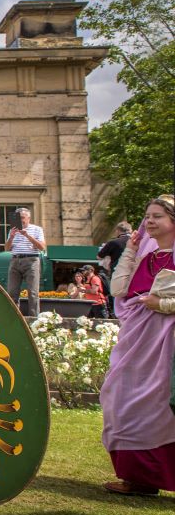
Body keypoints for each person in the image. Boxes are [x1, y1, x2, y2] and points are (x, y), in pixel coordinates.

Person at [100, 196, 175, 496]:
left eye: (157, 216)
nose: (150, 222)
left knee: (158, 405)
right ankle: (137, 476)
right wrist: (131, 249)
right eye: (147, 216)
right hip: (137, 338)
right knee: (120, 396)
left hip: (166, 341)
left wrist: (163, 303)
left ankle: (152, 476)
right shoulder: (147, 257)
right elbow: (118, 288)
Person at [6, 208, 46, 317]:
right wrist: (12, 237)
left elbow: (42, 247)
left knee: (33, 292)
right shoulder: (12, 230)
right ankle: (13, 317)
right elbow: (7, 249)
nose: (21, 221)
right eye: (19, 218)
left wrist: (27, 235)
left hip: (31, 260)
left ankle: (34, 318)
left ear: (28, 218)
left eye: (23, 218)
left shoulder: (37, 229)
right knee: (12, 291)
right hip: (15, 260)